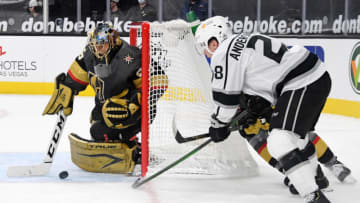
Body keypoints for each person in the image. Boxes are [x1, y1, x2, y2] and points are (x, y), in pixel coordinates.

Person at [194, 16, 356, 196]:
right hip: (313, 74)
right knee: (296, 137)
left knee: (280, 141)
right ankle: (314, 177)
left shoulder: (223, 53)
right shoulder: (244, 39)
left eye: (205, 49)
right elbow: (263, 79)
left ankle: (314, 187)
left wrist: (218, 126)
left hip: (300, 82)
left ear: (214, 42)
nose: (208, 55)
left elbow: (225, 103)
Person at [42, 23, 164, 174]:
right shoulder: (89, 55)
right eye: (95, 45)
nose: (97, 49)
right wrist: (67, 88)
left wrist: (134, 103)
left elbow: (160, 80)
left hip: (133, 109)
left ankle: (134, 148)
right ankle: (123, 143)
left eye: (102, 45)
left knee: (109, 128)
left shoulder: (131, 56)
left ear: (112, 42)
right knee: (98, 131)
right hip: (104, 108)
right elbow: (74, 77)